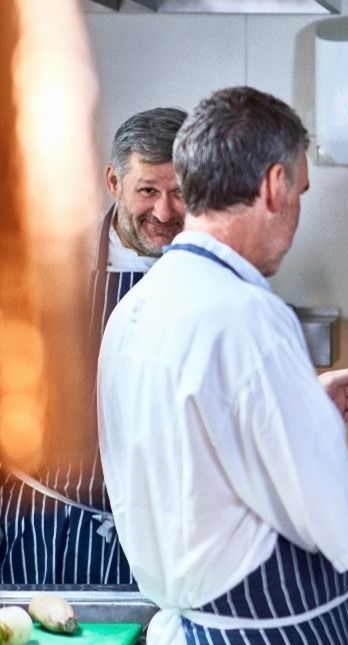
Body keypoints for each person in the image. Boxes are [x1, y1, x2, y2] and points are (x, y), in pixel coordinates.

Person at [98, 86, 348, 645]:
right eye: (301, 193)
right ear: (275, 184)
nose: (296, 210)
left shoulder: (142, 303)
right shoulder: (247, 313)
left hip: (199, 639)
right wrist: (311, 433)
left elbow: (193, 445)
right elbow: (334, 522)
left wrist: (301, 405)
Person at [0, 106, 186, 585]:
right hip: (44, 525)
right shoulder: (53, 267)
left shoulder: (212, 275)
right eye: (147, 190)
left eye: (179, 193)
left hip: (159, 534)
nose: (164, 213)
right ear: (113, 181)